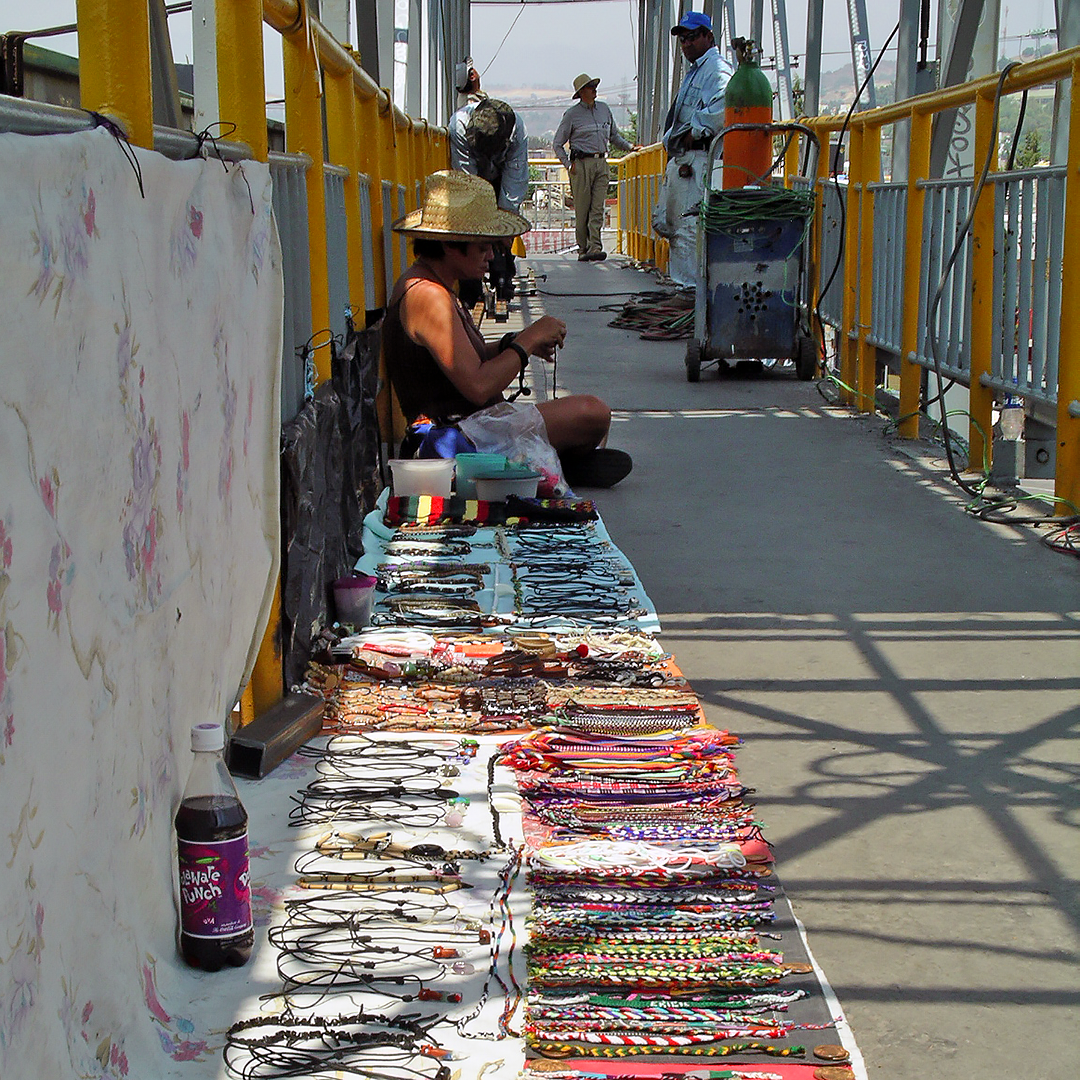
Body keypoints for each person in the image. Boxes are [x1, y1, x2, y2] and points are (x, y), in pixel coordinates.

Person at [384, 171, 633, 488]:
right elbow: (476, 385)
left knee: (593, 416)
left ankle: (539, 465)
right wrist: (527, 341)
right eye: (483, 247)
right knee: (591, 413)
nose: (491, 256)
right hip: (448, 441)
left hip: (470, 428)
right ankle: (542, 466)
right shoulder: (428, 297)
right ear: (450, 244)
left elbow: (465, 361)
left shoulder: (435, 286)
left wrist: (510, 344)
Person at [656, 11, 734, 286]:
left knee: (688, 228)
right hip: (685, 159)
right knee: (670, 224)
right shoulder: (697, 71)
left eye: (691, 37)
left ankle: (688, 291)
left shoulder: (716, 69)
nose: (686, 44)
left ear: (708, 36)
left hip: (699, 158)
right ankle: (683, 285)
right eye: (682, 40)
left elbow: (725, 104)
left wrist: (696, 129)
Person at [449, 58, 529, 305]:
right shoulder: (459, 126)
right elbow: (469, 187)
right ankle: (470, 284)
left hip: (501, 172)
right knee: (471, 223)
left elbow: (513, 188)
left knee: (504, 225)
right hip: (474, 175)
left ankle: (502, 270)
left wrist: (504, 235)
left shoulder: (516, 131)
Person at [552, 73, 639, 262]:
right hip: (581, 165)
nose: (594, 89)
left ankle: (595, 246)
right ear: (581, 92)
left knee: (598, 207)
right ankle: (583, 248)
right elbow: (557, 143)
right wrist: (568, 165)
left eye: (594, 86)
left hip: (601, 163)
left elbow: (614, 136)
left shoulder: (604, 110)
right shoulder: (572, 115)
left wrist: (630, 147)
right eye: (590, 86)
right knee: (583, 209)